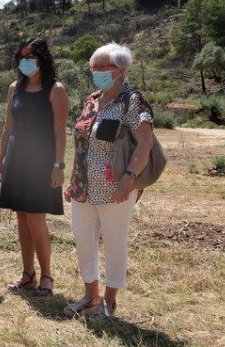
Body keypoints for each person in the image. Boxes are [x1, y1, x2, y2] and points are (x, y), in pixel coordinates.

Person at [64, 42, 155, 318]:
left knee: (115, 241)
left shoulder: (131, 100)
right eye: (95, 67)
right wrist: (72, 180)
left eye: (105, 67)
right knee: (82, 239)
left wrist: (129, 178)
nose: (99, 72)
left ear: (122, 70)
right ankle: (91, 296)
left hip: (115, 186)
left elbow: (145, 143)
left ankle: (109, 301)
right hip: (83, 186)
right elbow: (82, 143)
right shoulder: (92, 99)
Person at [0, 37, 69, 296]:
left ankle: (47, 276)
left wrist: (58, 164)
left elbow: (60, 131)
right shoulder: (14, 87)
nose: (25, 61)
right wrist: (0, 157)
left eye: (31, 56)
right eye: (22, 57)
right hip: (17, 159)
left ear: (43, 59)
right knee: (22, 219)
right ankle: (28, 274)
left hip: (42, 160)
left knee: (37, 221)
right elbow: (7, 127)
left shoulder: (55, 89)